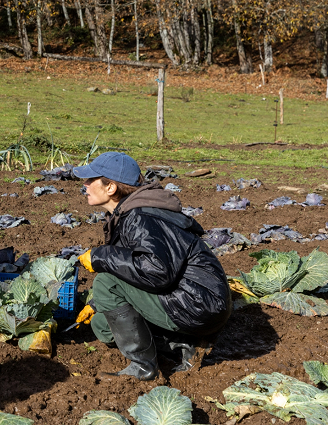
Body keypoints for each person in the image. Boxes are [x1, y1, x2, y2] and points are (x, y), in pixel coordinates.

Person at [73, 152, 231, 380]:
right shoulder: (132, 212)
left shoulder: (140, 216)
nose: (85, 185)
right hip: (194, 300)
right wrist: (98, 303)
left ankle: (143, 368)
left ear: (111, 188)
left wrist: (101, 256)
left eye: (91, 180)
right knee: (102, 325)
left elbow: (157, 271)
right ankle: (183, 344)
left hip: (198, 303)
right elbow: (135, 270)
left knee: (105, 281)